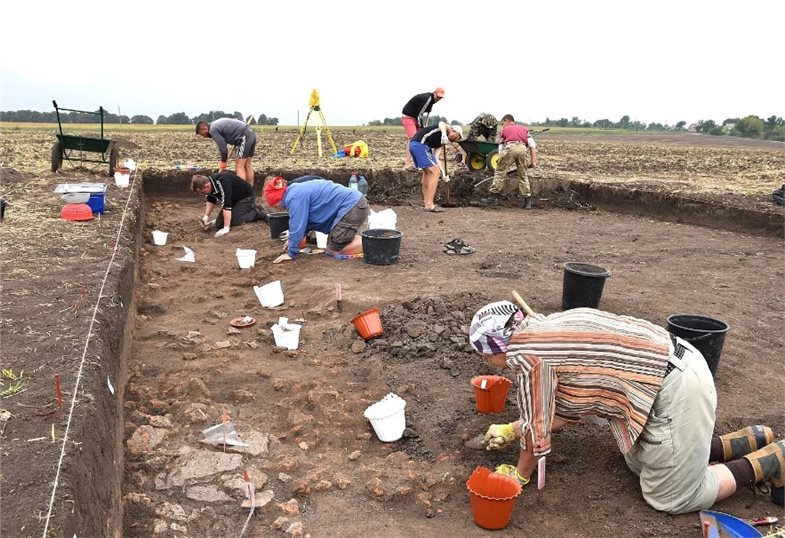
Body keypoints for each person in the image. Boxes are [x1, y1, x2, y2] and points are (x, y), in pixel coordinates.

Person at [469, 301, 785, 515]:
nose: (487, 361)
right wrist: (514, 428)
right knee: (638, 461)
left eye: (484, 355)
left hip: (677, 386)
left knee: (670, 496)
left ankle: (773, 460)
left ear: (495, 351)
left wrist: (519, 475)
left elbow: (537, 431)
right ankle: (748, 440)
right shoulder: (541, 327)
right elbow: (562, 409)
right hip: (667, 370)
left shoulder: (528, 358)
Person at [263, 177, 369, 263]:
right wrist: (292, 240)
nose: (277, 208)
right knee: (334, 243)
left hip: (353, 206)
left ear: (277, 199)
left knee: (334, 250)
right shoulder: (294, 191)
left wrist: (291, 254)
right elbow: (305, 223)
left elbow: (297, 225)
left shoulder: (294, 197)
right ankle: (362, 240)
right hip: (352, 205)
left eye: (275, 205)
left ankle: (372, 244)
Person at [480, 114, 537, 209]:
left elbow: (501, 146)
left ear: (507, 120)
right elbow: (532, 145)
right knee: (523, 175)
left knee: (499, 173)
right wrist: (533, 161)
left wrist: (500, 158)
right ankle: (528, 202)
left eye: (503, 123)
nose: (503, 126)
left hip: (510, 147)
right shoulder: (524, 129)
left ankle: (493, 198)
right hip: (523, 148)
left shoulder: (504, 130)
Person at [191, 171, 267, 237]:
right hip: (234, 200)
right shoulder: (210, 183)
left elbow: (226, 205)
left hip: (246, 197)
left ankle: (257, 212)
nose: (203, 194)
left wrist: (226, 228)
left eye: (203, 192)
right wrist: (206, 217)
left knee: (235, 221)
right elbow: (211, 199)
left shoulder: (223, 182)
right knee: (219, 224)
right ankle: (240, 212)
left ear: (207, 186)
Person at [408, 122, 461, 212]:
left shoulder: (441, 143)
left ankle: (426, 203)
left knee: (428, 173)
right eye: (458, 137)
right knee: (435, 172)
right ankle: (430, 205)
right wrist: (444, 134)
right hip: (420, 145)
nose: (457, 140)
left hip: (417, 146)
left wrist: (443, 173)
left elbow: (436, 158)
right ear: (456, 132)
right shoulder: (447, 128)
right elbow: (441, 123)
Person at [196, 118, 257, 186]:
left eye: (202, 134)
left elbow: (223, 148)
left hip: (244, 136)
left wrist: (223, 162)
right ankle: (249, 189)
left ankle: (241, 190)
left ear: (204, 129)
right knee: (247, 165)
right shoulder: (216, 124)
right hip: (250, 133)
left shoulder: (213, 130)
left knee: (239, 166)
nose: (203, 136)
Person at [401, 88, 445, 171]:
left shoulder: (431, 101)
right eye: (438, 96)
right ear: (434, 93)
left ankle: (419, 164)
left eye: (440, 98)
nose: (438, 99)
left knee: (420, 140)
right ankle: (407, 164)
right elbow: (419, 114)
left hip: (414, 118)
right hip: (408, 118)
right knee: (413, 140)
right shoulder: (427, 99)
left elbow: (421, 112)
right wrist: (421, 127)